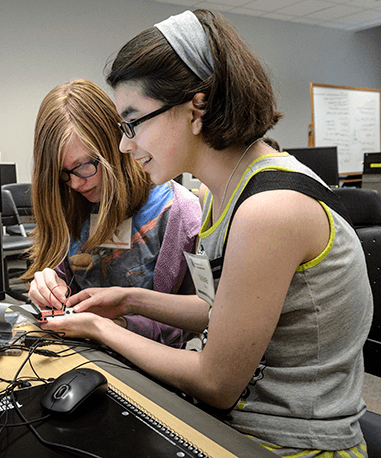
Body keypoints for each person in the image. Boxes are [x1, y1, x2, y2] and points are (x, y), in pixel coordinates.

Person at [39, 10, 372, 457]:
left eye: (133, 122)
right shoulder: (226, 190)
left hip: (286, 443)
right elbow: (218, 311)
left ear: (196, 107)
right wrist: (129, 299)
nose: (124, 145)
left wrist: (100, 328)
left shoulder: (268, 210)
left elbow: (216, 383)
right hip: (233, 423)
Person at [24, 78, 201, 348]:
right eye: (62, 174)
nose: (74, 183)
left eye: (83, 166)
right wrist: (47, 285)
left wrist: (117, 327)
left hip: (153, 367)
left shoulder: (178, 212)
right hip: (79, 352)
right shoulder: (70, 201)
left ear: (115, 145)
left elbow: (199, 320)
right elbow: (60, 279)